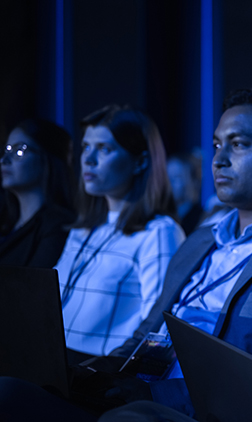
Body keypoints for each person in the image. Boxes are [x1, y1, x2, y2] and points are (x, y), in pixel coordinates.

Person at [0, 90, 252, 421]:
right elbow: (147, 333)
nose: (219, 159)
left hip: (204, 411)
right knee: (11, 390)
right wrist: (95, 372)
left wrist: (156, 393)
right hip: (138, 393)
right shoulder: (201, 238)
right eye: (217, 144)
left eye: (238, 145)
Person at [55, 105, 185, 362]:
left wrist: (110, 376)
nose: (88, 160)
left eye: (104, 149)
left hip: (96, 376)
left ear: (140, 162)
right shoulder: (84, 228)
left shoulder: (158, 232)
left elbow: (158, 331)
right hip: (54, 361)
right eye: (86, 147)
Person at [0, 118, 76, 267]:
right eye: (7, 150)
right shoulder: (6, 221)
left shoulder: (58, 226)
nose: (4, 160)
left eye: (19, 150)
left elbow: (36, 287)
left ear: (47, 158)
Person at [166, 153, 203, 235]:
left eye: (176, 177)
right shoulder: (163, 218)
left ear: (190, 181)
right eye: (167, 177)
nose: (170, 183)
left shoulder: (201, 219)